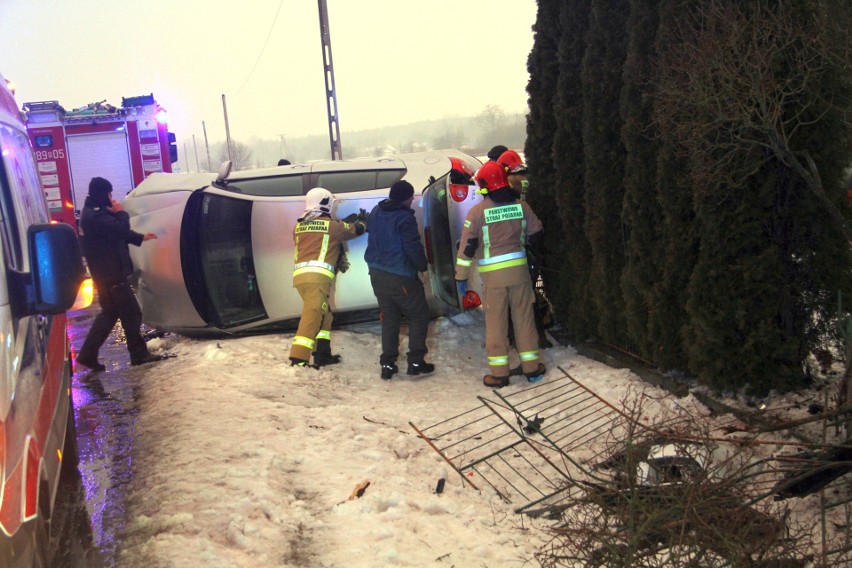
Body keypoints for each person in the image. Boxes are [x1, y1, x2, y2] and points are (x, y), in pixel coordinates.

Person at [455, 161, 546, 388]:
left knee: (496, 324)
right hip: (520, 275)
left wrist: (461, 277)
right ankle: (532, 369)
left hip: (493, 281)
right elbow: (536, 233)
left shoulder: (476, 213)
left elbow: (466, 249)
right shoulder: (521, 206)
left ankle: (499, 374)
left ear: (485, 185)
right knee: (524, 320)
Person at [76, 177, 167, 370]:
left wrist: (141, 237)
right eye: (109, 193)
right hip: (111, 273)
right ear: (101, 194)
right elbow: (119, 228)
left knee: (109, 314)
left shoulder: (94, 213)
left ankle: (87, 354)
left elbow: (116, 233)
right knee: (132, 313)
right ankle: (139, 354)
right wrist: (122, 213)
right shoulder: (96, 216)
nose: (111, 197)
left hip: (105, 274)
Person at [289, 187, 367, 368]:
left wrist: (340, 224)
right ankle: (298, 358)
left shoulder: (298, 226)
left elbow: (319, 235)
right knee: (313, 314)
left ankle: (322, 354)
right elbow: (354, 230)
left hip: (301, 279)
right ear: (326, 202)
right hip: (317, 278)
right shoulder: (332, 226)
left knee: (325, 315)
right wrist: (362, 223)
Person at [364, 180, 434, 380]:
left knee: (390, 316)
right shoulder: (404, 218)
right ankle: (416, 361)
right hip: (400, 275)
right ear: (405, 198)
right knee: (418, 314)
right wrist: (423, 267)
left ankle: (388, 363)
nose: (413, 200)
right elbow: (412, 246)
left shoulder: (377, 210)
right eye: (411, 196)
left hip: (376, 273)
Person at [498, 149, 553, 352]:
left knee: (517, 302)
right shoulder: (527, 184)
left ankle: (523, 338)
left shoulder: (506, 189)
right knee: (531, 296)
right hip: (527, 250)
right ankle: (539, 335)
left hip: (511, 255)